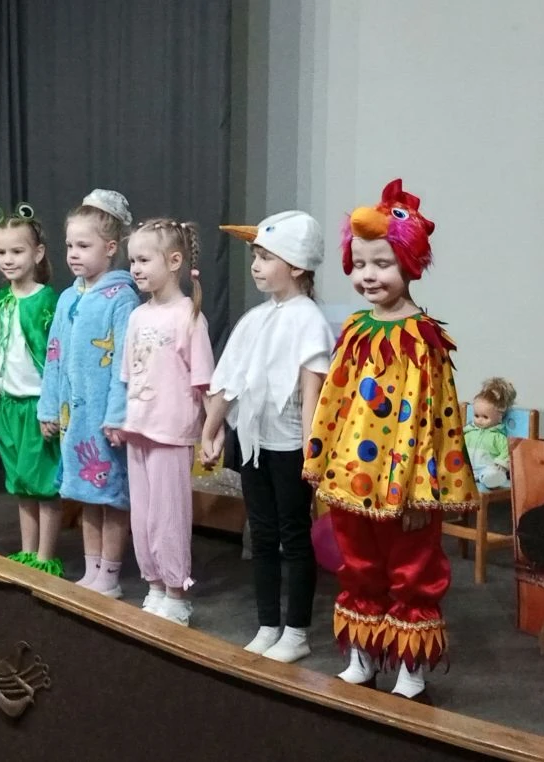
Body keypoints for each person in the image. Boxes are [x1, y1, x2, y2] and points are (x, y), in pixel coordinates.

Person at [303, 179, 478, 702]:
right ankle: (363, 654)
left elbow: (435, 418)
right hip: (353, 478)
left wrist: (425, 490)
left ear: (409, 264)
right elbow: (334, 399)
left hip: (406, 483)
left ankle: (410, 666)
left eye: (381, 264)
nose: (368, 275)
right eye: (359, 264)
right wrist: (320, 459)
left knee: (412, 570)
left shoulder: (423, 339)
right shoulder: (357, 330)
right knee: (358, 565)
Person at [201, 211, 333, 660]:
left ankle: (296, 631)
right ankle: (267, 623)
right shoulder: (255, 319)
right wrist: (211, 430)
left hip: (291, 447)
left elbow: (313, 391)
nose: (255, 266)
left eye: (265, 257)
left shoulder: (308, 320)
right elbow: (228, 381)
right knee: (261, 533)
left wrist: (313, 451)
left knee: (293, 535)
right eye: (255, 256)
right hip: (254, 443)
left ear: (296, 266)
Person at [37, 189, 139, 598]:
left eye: (83, 245)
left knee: (111, 495)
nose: (73, 254)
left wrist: (117, 415)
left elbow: (124, 363)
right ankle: (93, 568)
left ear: (110, 248)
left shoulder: (122, 298)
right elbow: (54, 356)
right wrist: (48, 406)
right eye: (69, 246)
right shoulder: (68, 297)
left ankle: (110, 573)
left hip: (103, 418)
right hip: (73, 417)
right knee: (86, 494)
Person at [122, 218, 214, 626]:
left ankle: (176, 592)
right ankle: (155, 584)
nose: (136, 268)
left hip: (171, 432)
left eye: (144, 260)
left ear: (174, 261)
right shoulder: (137, 316)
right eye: (132, 261)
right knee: (142, 515)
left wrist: (212, 432)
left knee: (169, 515)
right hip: (138, 428)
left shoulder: (188, 316)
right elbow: (129, 375)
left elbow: (204, 381)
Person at [0, 203, 62, 574]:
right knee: (21, 483)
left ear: (37, 253)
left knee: (44, 485)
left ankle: (45, 558)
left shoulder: (48, 301)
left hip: (38, 408)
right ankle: (27, 552)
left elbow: (58, 360)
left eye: (17, 251)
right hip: (7, 408)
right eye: (1, 252)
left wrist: (53, 407)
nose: (7, 259)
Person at [463, 377, 517, 489]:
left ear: (499, 417)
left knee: (491, 472)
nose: (480, 420)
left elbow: (507, 452)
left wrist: (500, 465)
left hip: (486, 468)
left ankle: (494, 479)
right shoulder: (468, 432)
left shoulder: (498, 436)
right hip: (466, 468)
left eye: (485, 417)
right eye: (476, 416)